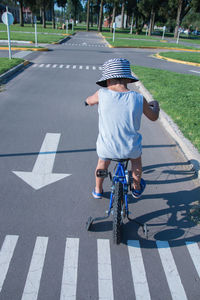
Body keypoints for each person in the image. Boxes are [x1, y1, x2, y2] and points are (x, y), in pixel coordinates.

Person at [85, 58, 160, 199]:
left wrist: (87, 102)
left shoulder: (101, 94)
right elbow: (153, 117)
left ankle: (98, 190)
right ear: (128, 80)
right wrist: (155, 107)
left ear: (107, 81)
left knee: (102, 163)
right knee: (136, 162)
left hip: (107, 147)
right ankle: (136, 188)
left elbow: (89, 100)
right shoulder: (138, 98)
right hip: (130, 148)